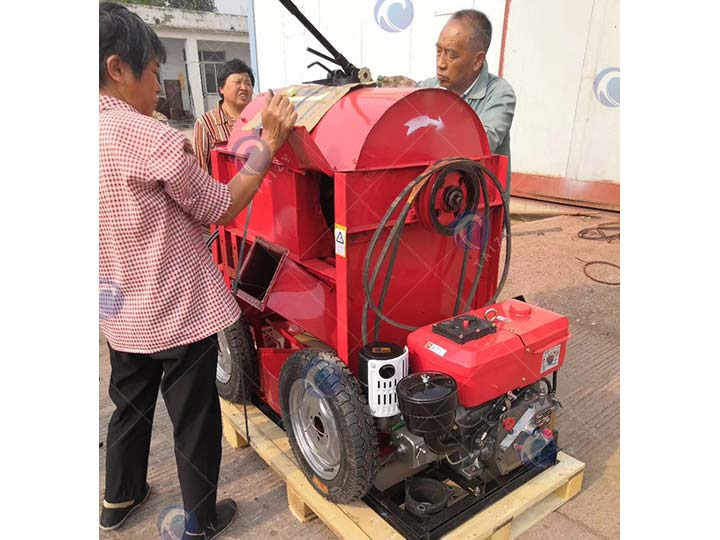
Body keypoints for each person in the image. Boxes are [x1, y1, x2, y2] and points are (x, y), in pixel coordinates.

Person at [98, 3, 296, 539]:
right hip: (174, 309)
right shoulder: (152, 138)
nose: (159, 88)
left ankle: (119, 498)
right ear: (118, 69)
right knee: (194, 418)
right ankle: (199, 523)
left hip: (118, 309)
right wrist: (268, 146)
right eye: (152, 72)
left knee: (130, 404)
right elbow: (219, 206)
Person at [419, 9, 516, 157]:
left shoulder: (499, 94)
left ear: (477, 61)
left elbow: (481, 143)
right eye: (439, 52)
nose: (440, 63)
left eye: (451, 55)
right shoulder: (427, 88)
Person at [194, 59, 255, 176]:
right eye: (238, 82)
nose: (244, 87)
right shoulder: (206, 124)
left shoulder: (258, 120)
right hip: (223, 192)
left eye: (248, 83)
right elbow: (200, 172)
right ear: (221, 88)